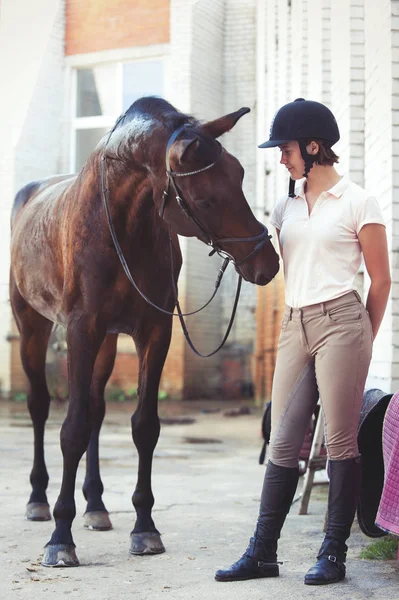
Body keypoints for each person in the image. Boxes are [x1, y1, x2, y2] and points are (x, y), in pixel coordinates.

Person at [215, 98, 391, 586]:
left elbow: (380, 281)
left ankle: (333, 553)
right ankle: (262, 553)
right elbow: (264, 262)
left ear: (314, 147)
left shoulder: (359, 201)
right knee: (283, 439)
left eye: (287, 148)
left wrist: (362, 339)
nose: (281, 157)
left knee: (339, 440)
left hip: (343, 322)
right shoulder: (285, 206)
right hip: (295, 324)